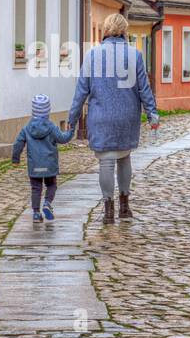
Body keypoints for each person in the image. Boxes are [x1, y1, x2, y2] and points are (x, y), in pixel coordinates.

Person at [67, 12, 159, 225]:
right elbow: (144, 88)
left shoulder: (92, 55)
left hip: (101, 117)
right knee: (124, 157)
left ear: (105, 31)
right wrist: (152, 112)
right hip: (126, 116)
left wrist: (72, 117)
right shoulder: (134, 55)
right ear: (124, 31)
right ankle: (125, 206)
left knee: (106, 163)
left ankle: (108, 210)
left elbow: (82, 90)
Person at [11, 94, 73, 222]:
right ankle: (47, 203)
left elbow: (18, 143)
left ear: (33, 110)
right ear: (48, 111)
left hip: (34, 165)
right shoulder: (51, 127)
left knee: (36, 188)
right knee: (51, 185)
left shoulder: (27, 128)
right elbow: (62, 138)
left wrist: (15, 159)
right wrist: (70, 131)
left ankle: (36, 213)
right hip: (49, 164)